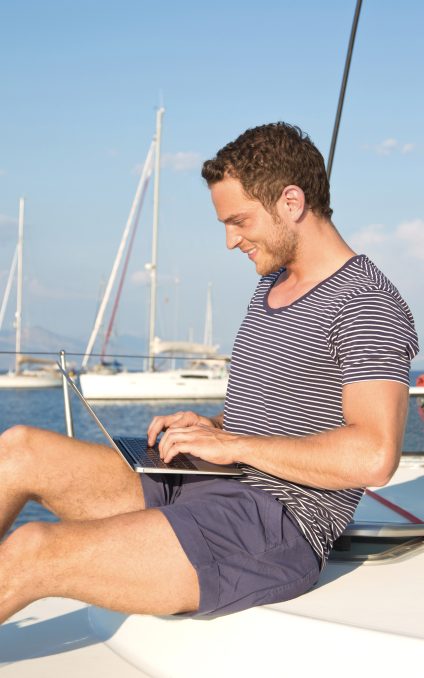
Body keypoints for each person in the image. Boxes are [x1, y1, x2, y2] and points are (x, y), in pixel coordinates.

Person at [0, 122, 418, 623]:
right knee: (19, 448)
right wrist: (213, 428)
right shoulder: (273, 285)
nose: (229, 240)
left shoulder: (365, 303)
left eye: (239, 221)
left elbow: (374, 454)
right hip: (212, 481)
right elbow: (279, 410)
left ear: (291, 202)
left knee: (33, 548)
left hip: (273, 523)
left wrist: (235, 446)